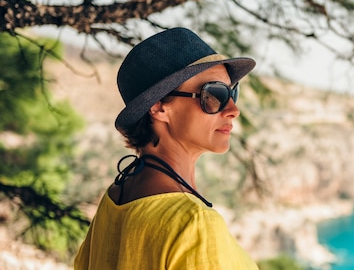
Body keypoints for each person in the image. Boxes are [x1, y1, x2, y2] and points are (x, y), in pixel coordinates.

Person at [74, 27, 259, 269]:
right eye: (214, 93)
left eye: (232, 92)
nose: (233, 109)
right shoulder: (193, 222)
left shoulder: (116, 197)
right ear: (159, 107)